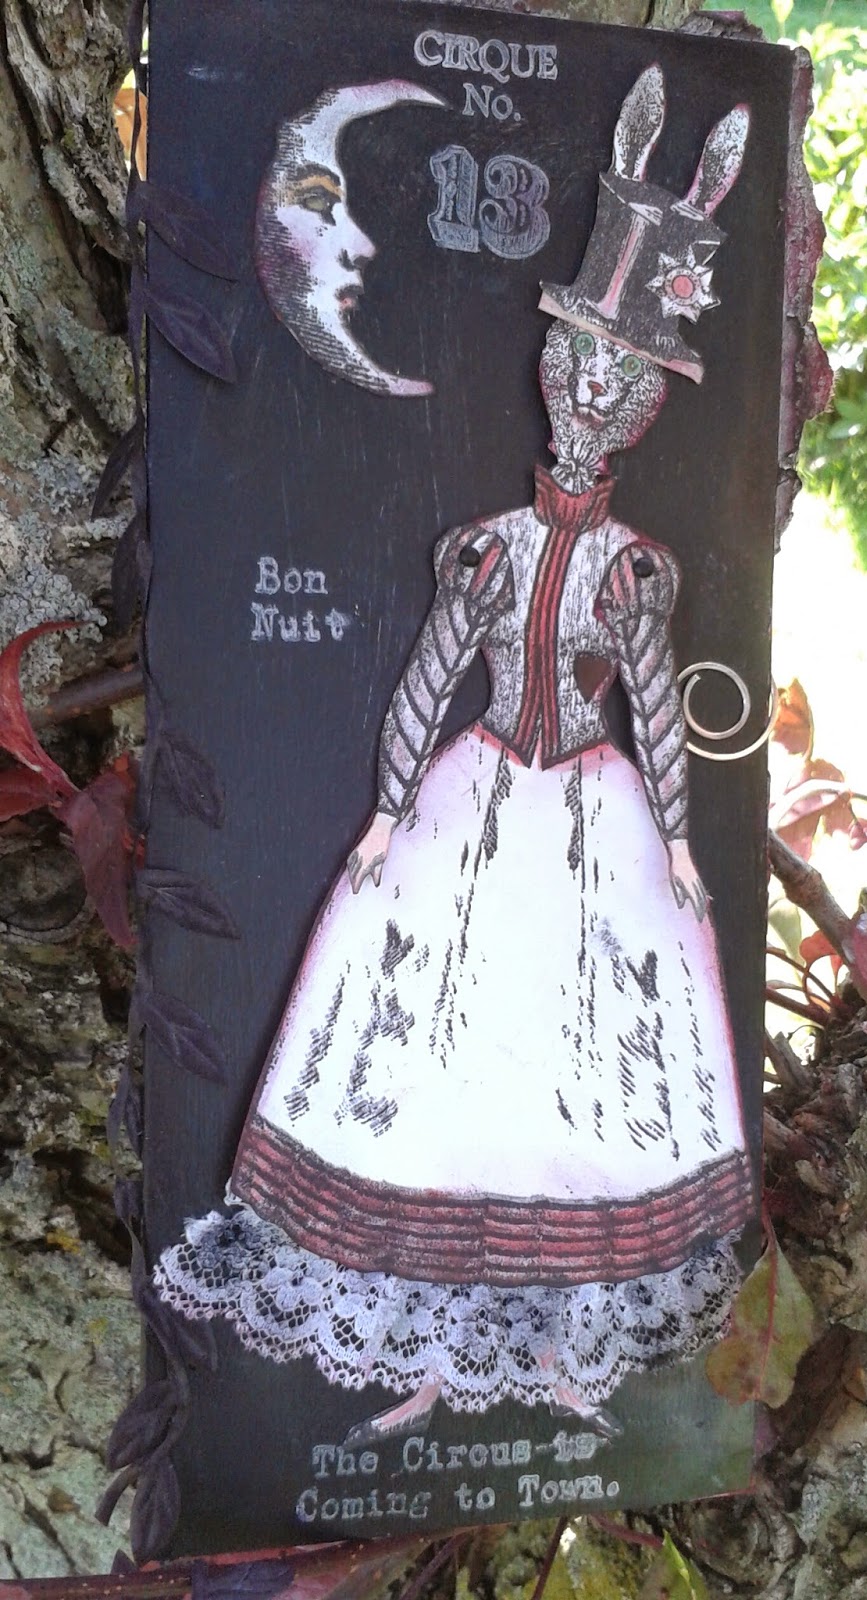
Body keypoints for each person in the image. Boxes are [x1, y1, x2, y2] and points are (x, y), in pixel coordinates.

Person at [156, 65, 754, 1446]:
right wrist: (383, 815)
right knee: (428, 1054)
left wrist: (673, 840)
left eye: (617, 381)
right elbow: (431, 675)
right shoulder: (487, 547)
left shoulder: (636, 569)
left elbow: (656, 703)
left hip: (592, 824)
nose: (588, 393)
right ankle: (423, 1348)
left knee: (574, 1064)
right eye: (576, 367)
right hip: (469, 804)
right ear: (551, 372)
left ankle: (555, 1351)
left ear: (641, 406)